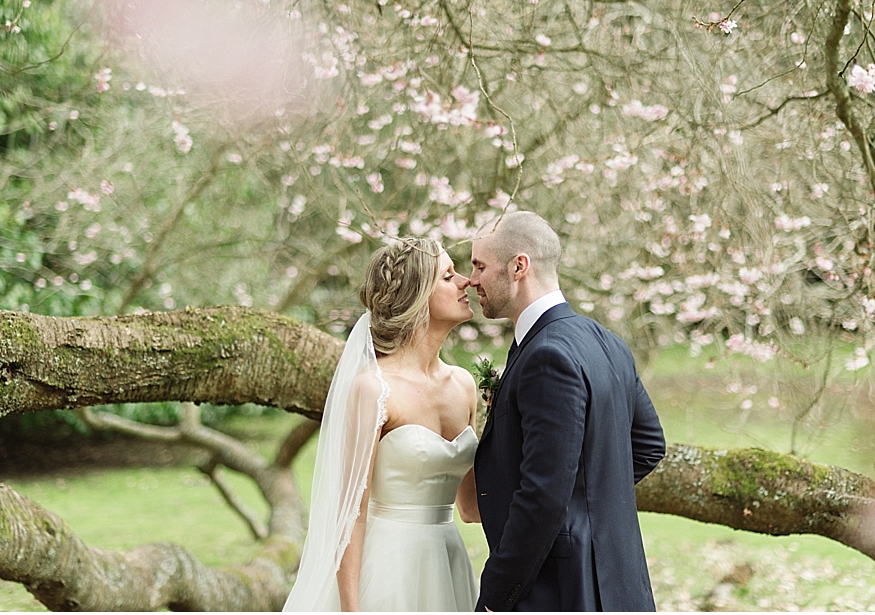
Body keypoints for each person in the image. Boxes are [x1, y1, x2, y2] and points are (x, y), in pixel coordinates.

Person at [467, 211, 666, 612]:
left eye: (480, 266)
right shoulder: (606, 341)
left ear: (519, 266)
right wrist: (591, 500)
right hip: (620, 585)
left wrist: (496, 596)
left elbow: (543, 495)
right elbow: (648, 445)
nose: (472, 280)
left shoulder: (546, 356)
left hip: (562, 590)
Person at [284, 238, 481, 612]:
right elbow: (350, 516)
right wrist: (351, 609)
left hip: (449, 563)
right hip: (389, 568)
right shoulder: (373, 388)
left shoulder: (464, 386)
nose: (465, 282)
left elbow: (470, 508)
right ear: (417, 297)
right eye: (448, 276)